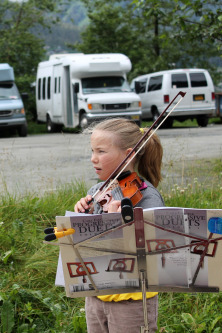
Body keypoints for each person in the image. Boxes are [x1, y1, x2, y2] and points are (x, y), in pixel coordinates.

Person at [74, 118, 165, 333]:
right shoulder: (96, 191)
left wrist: (118, 223)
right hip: (97, 293)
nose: (93, 159)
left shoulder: (146, 195)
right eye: (92, 151)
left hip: (131, 299)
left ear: (129, 154)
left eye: (101, 152)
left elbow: (152, 251)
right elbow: (89, 243)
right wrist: (82, 215)